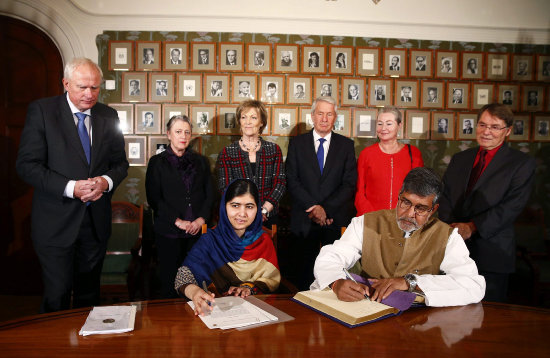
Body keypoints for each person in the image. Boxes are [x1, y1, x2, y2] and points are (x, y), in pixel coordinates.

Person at [16, 58, 129, 313]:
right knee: (57, 295)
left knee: (89, 297)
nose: (89, 94)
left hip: (95, 223)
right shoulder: (43, 111)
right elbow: (27, 165)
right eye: (82, 87)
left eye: (95, 88)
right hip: (55, 223)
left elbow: (120, 164)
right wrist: (70, 187)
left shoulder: (108, 115)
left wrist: (105, 182)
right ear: (66, 84)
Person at [312, 168, 486, 307]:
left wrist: (410, 283)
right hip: (367, 311)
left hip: (419, 323)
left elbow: (473, 285)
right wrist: (336, 282)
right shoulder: (366, 223)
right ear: (398, 197)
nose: (410, 213)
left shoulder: (447, 236)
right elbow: (331, 257)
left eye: (421, 208)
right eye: (406, 202)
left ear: (433, 209)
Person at [439, 103, 536, 302]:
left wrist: (472, 227)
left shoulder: (521, 163)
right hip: (453, 251)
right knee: (449, 318)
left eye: (494, 127)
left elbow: (511, 207)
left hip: (492, 254)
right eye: (482, 125)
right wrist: (452, 229)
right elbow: (444, 195)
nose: (486, 132)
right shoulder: (460, 158)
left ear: (507, 131)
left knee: (488, 320)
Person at [175, 179, 280, 316]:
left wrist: (249, 287)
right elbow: (182, 276)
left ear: (257, 208)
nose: (242, 214)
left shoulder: (264, 241)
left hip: (257, 316)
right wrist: (195, 292)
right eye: (235, 205)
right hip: (216, 315)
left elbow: (271, 281)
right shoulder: (210, 240)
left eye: (249, 206)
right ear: (224, 207)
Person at [286, 96, 357, 290]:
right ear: (312, 116)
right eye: (320, 114)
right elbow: (292, 179)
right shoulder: (297, 143)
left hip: (333, 220)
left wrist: (326, 209)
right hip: (304, 218)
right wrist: (314, 208)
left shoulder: (346, 145)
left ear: (335, 117)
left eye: (329, 114)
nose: (324, 119)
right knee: (302, 273)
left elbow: (349, 184)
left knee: (332, 272)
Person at [146, 115, 214, 298]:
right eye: (178, 132)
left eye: (187, 132)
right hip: (169, 231)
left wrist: (200, 220)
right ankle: (170, 323)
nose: (183, 136)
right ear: (168, 134)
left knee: (196, 279)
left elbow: (210, 195)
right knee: (169, 281)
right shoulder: (156, 163)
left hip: (197, 232)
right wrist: (179, 222)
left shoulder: (201, 162)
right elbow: (154, 199)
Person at [217, 100, 286, 225]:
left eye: (253, 117)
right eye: (244, 117)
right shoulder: (227, 152)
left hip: (268, 216)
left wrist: (264, 210)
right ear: (239, 122)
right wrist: (245, 212)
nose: (248, 122)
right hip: (239, 218)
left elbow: (279, 184)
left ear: (261, 122)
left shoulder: (274, 150)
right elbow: (225, 188)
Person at [355, 106, 424, 216]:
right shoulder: (366, 154)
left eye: (389, 123)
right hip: (372, 218)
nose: (383, 128)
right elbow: (359, 191)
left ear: (399, 125)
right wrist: (371, 216)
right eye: (380, 123)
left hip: (404, 218)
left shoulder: (414, 153)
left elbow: (419, 191)